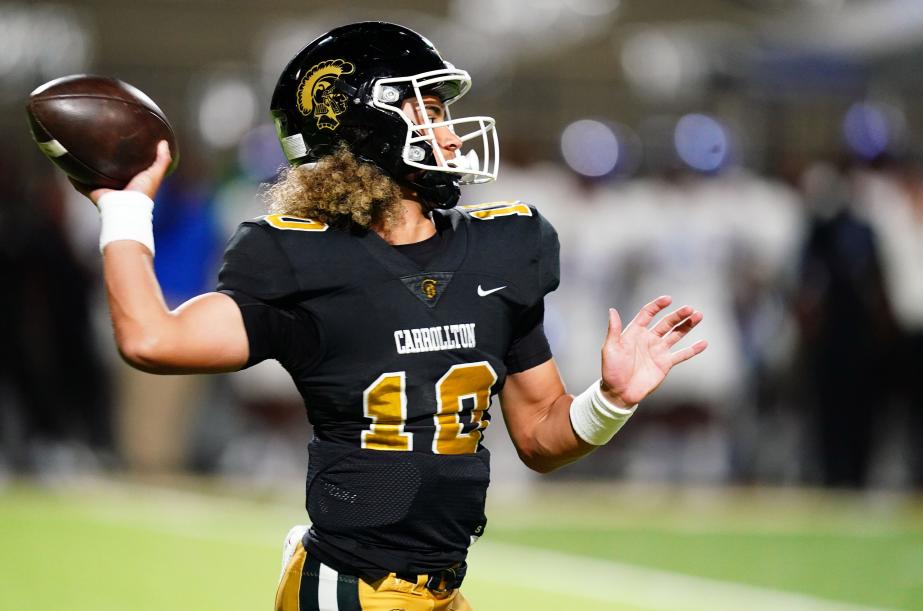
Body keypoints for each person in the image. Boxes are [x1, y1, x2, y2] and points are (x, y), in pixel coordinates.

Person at [75, 22, 707, 611]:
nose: (453, 134)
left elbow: (541, 436)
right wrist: (125, 207)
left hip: (442, 590)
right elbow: (151, 338)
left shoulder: (500, 249)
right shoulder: (301, 257)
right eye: (429, 112)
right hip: (355, 586)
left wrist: (610, 401)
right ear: (365, 127)